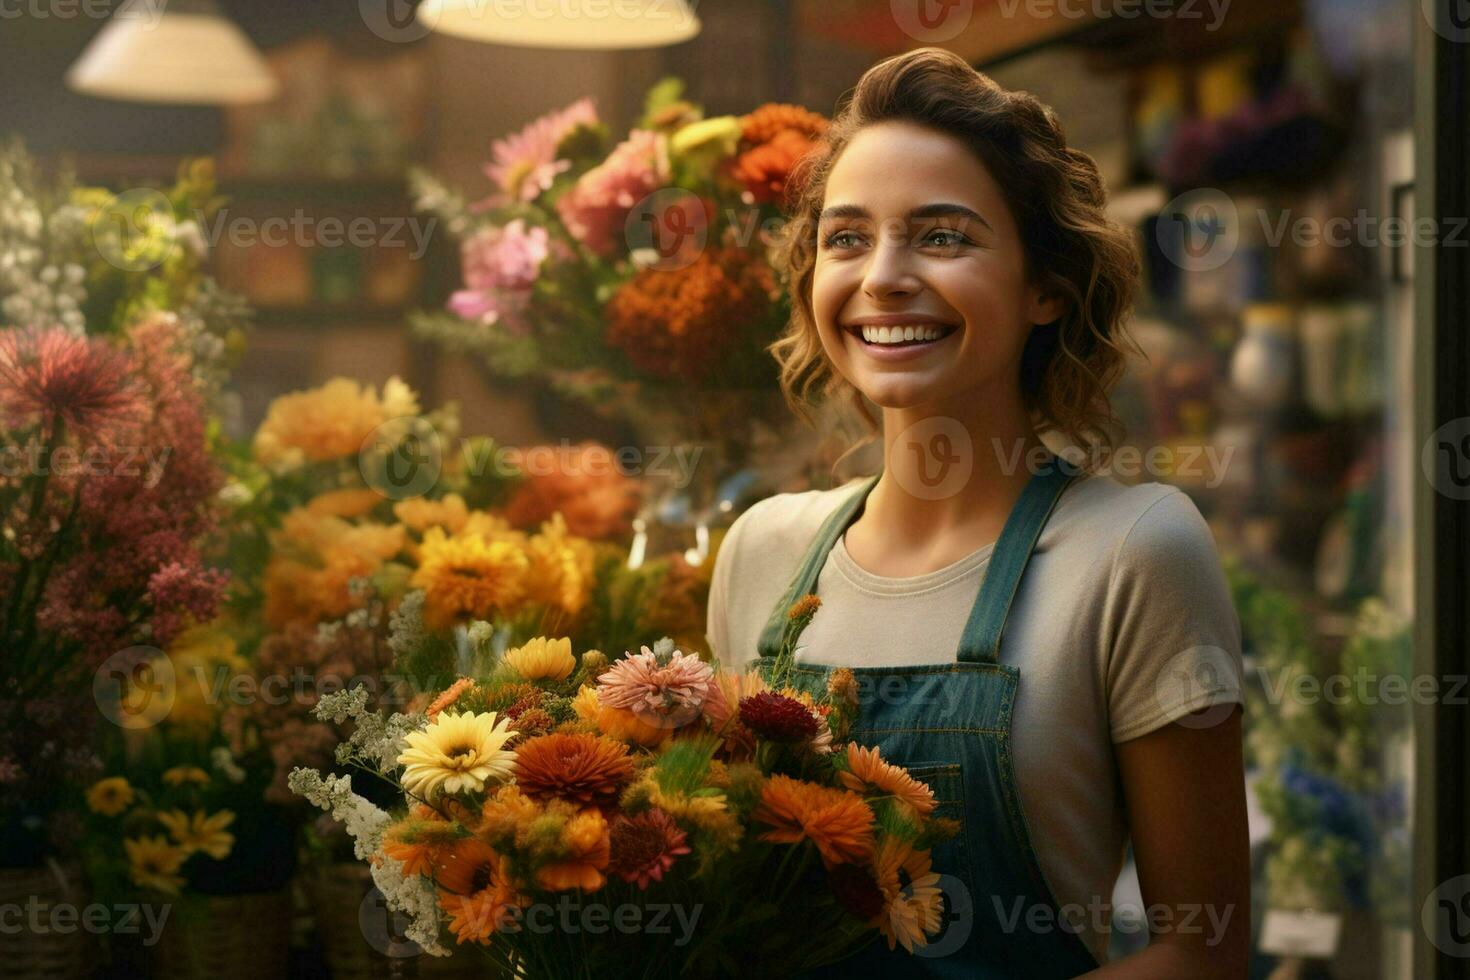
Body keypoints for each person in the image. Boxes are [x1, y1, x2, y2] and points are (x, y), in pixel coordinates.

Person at [706, 47, 1250, 978]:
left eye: (942, 236)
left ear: (1046, 285)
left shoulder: (1133, 552)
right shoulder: (761, 549)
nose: (883, 276)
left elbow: (1203, 954)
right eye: (846, 238)